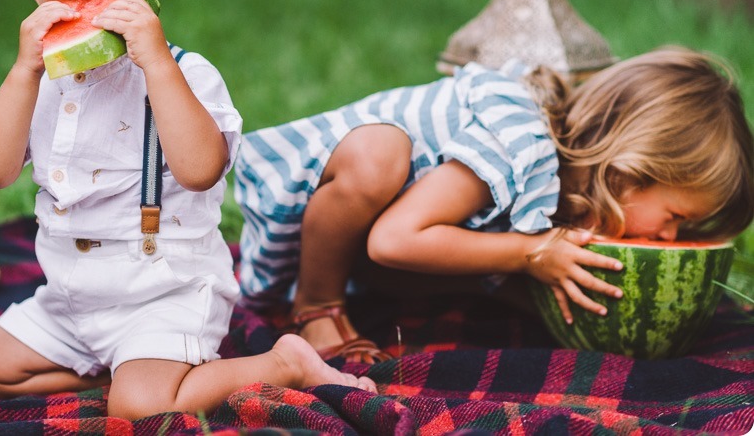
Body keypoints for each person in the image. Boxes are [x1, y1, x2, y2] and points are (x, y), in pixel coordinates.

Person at [0, 0, 375, 419]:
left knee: (139, 410)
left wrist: (154, 61)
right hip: (72, 297)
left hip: (163, 295)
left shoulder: (187, 73)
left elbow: (201, 168)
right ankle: (116, 374)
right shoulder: (40, 83)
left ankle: (281, 364)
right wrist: (21, 71)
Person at [235, 47, 754, 363]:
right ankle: (316, 307)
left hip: (375, 250)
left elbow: (467, 258)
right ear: (629, 169)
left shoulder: (558, 191)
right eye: (676, 219)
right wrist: (530, 255)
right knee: (379, 155)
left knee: (484, 262)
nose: (669, 241)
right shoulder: (519, 141)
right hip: (304, 220)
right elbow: (393, 240)